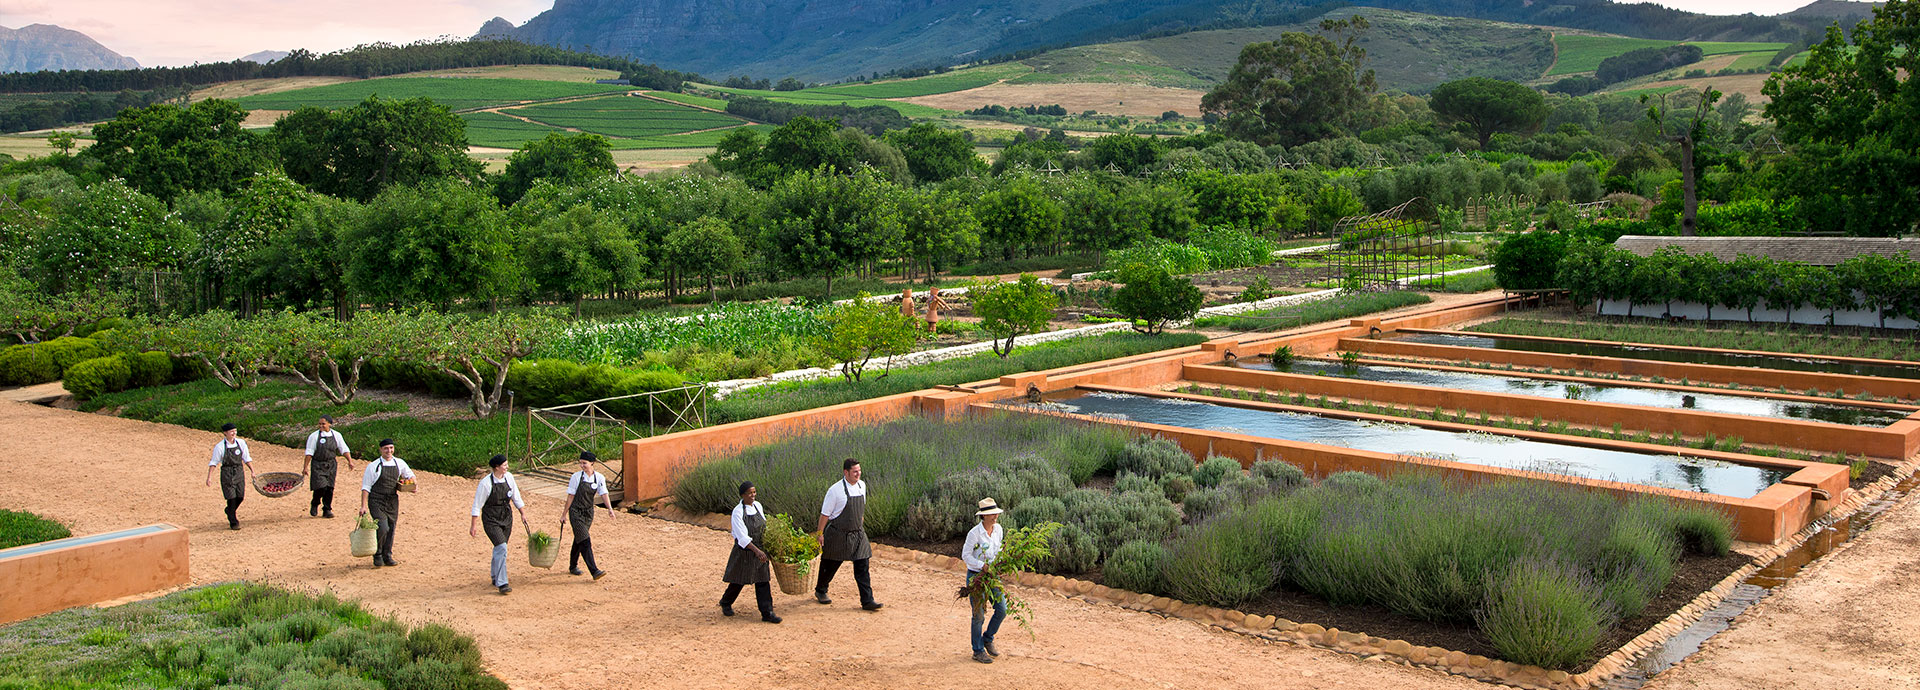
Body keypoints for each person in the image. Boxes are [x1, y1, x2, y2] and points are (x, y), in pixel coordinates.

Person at [814, 458, 882, 610]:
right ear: (846, 472)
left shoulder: (862, 485)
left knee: (862, 565)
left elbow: (861, 509)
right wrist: (820, 534)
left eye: (859, 471)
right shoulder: (835, 491)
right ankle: (821, 590)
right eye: (855, 471)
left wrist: (859, 524)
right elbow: (825, 515)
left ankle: (867, 601)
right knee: (830, 564)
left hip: (858, 533)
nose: (858, 474)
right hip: (838, 534)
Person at [470, 454, 532, 595]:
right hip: (491, 519)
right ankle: (502, 583)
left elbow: (516, 496)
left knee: (500, 548)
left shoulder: (509, 477)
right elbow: (477, 505)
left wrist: (522, 513)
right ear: (496, 467)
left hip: (506, 517)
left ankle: (495, 576)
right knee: (501, 547)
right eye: (504, 465)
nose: (507, 467)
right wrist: (473, 525)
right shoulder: (485, 483)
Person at [720, 481, 780, 624]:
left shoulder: (758, 506)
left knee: (763, 580)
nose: (753, 495)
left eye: (754, 492)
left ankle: (767, 613)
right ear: (743, 495)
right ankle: (726, 602)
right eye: (749, 493)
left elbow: (764, 525)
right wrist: (757, 551)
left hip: (761, 550)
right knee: (738, 580)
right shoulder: (738, 512)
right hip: (745, 551)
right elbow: (742, 537)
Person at [359, 439, 417, 568]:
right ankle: (377, 553)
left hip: (392, 500)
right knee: (383, 527)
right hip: (376, 500)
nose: (389, 451)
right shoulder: (373, 466)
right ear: (380, 450)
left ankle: (387, 555)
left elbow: (410, 476)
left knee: (391, 527)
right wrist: (363, 506)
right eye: (386, 448)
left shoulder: (399, 463)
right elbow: (366, 487)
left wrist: (412, 485)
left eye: (391, 448)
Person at [962, 497, 1007, 664]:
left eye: (995, 513)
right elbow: (965, 556)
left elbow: (999, 548)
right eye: (991, 514)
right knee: (978, 614)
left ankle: (988, 638)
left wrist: (1000, 563)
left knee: (1001, 609)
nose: (995, 516)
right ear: (983, 516)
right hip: (976, 576)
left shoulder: (998, 530)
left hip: (992, 576)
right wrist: (982, 566)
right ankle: (978, 650)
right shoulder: (974, 534)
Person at [561, 451, 615, 579]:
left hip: (588, 513)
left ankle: (572, 566)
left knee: (579, 539)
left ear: (592, 463)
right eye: (580, 463)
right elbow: (571, 496)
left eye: (584, 463)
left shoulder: (599, 478)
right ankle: (594, 570)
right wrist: (564, 514)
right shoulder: (576, 477)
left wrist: (610, 509)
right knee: (585, 540)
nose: (582, 466)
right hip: (575, 512)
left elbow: (604, 494)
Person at [204, 423, 256, 530]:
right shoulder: (219, 447)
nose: (234, 433)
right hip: (227, 473)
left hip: (239, 472)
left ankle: (229, 511)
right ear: (225, 433)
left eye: (235, 431)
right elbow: (214, 462)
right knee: (231, 498)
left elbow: (246, 458)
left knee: (240, 497)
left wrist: (252, 471)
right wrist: (209, 477)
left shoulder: (241, 443)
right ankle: (233, 521)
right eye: (231, 431)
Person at [302, 415, 354, 518]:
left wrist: (350, 461)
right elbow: (309, 452)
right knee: (320, 486)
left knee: (329, 488)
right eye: (320, 424)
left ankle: (327, 509)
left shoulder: (337, 435)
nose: (321, 426)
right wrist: (305, 467)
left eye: (323, 424)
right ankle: (315, 502)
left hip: (331, 464)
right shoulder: (314, 436)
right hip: (318, 464)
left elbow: (343, 448)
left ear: (329, 424)